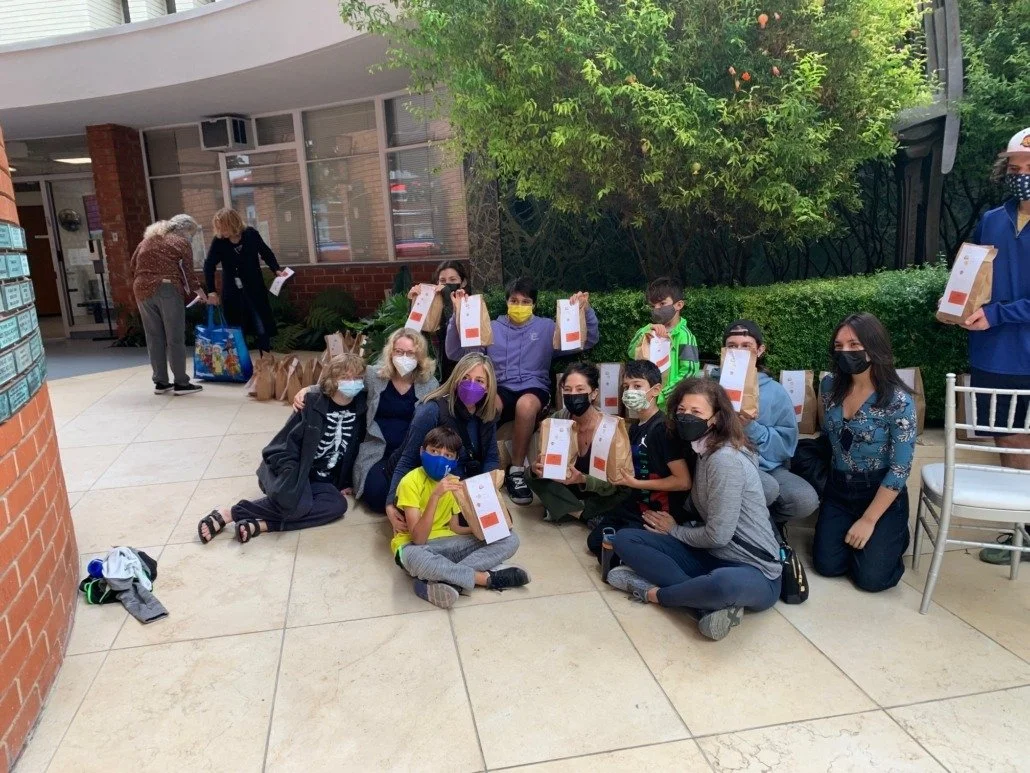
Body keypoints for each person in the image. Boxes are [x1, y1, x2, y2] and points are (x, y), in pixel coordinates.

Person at [608, 377, 783, 642]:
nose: (686, 417)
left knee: (722, 584)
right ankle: (702, 602)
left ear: (715, 419)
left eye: (696, 412)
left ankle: (653, 593)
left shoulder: (724, 459)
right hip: (709, 555)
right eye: (681, 411)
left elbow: (718, 536)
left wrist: (674, 530)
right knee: (625, 538)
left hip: (754, 570)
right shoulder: (701, 451)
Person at [446, 277, 599, 507]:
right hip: (501, 387)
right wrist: (457, 315)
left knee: (525, 405)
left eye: (525, 301)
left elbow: (586, 341)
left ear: (533, 305)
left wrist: (584, 311)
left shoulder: (547, 327)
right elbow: (456, 352)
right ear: (507, 302)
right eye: (514, 300)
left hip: (534, 388)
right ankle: (477, 463)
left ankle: (516, 470)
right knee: (488, 404)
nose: (519, 305)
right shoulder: (492, 328)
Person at [197, 354, 367, 544]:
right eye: (345, 377)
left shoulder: (361, 407)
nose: (352, 382)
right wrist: (289, 476)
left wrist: (344, 480)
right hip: (293, 471)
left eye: (358, 378)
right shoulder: (311, 402)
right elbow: (281, 447)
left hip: (322, 479)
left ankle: (260, 525)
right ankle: (229, 513)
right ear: (333, 379)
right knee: (298, 504)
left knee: (337, 505)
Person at [962, 128, 1030, 565]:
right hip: (992, 352)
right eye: (1015, 168)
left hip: (1022, 348)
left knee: (1024, 440)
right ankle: (1020, 528)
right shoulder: (991, 220)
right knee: (1007, 439)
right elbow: (970, 275)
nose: (1020, 176)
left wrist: (999, 314)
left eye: (1029, 168)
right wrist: (957, 304)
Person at [813, 313, 916, 592]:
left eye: (854, 344)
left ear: (874, 347)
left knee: (871, 580)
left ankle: (893, 533)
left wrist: (869, 520)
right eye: (839, 346)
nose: (845, 351)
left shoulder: (898, 400)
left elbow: (900, 469)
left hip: (878, 490)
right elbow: (828, 436)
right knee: (827, 566)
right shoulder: (829, 387)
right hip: (838, 490)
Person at [294, 328, 439, 512]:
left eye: (410, 353)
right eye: (399, 351)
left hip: (410, 451)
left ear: (420, 356)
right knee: (378, 498)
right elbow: (342, 382)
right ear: (391, 352)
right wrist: (309, 390)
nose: (404, 357)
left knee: (417, 491)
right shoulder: (375, 376)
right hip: (378, 450)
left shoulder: (429, 383)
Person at [392, 426, 530, 609]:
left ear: (456, 460)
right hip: (415, 547)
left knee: (510, 538)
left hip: (448, 544)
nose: (440, 458)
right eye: (434, 451)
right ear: (422, 451)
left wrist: (485, 531)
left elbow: (455, 528)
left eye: (448, 455)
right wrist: (435, 496)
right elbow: (418, 539)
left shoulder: (455, 484)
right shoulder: (410, 481)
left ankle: (442, 582)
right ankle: (486, 578)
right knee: (415, 556)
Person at [384, 353, 500, 535]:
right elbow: (408, 459)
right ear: (455, 379)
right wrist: (391, 504)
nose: (472, 385)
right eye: (466, 378)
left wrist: (486, 493)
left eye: (479, 381)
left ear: (488, 387)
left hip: (466, 484)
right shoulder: (431, 411)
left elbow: (491, 457)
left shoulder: (488, 413)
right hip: (434, 484)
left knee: (497, 525)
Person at [585, 360, 692, 557]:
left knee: (612, 552)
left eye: (637, 386)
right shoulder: (635, 426)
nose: (629, 392)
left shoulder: (662, 429)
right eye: (626, 387)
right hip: (635, 506)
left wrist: (635, 482)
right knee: (595, 542)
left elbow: (683, 481)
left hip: (658, 511)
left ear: (656, 390)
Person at [722, 320, 820, 524]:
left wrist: (751, 427)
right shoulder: (711, 388)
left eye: (746, 346)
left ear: (760, 350)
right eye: (732, 346)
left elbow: (786, 446)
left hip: (767, 466)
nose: (739, 352)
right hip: (723, 465)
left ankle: (766, 525)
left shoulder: (776, 392)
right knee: (766, 488)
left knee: (804, 500)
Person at [527, 362, 631, 526]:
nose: (573, 395)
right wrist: (537, 468)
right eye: (567, 390)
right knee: (530, 475)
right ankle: (583, 514)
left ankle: (566, 509)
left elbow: (613, 482)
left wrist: (582, 479)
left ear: (594, 393)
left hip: (598, 489)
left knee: (624, 491)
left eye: (580, 390)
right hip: (567, 487)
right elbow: (545, 466)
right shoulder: (558, 420)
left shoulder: (608, 427)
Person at [130, 214, 206, 396]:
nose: (191, 237)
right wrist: (200, 292)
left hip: (141, 288)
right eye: (192, 233)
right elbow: (188, 271)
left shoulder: (146, 240)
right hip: (167, 289)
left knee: (154, 337)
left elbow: (133, 264)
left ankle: (161, 383)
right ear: (185, 230)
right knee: (175, 337)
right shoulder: (180, 242)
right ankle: (181, 383)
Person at [203, 208, 288, 354]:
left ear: (233, 224)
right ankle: (239, 365)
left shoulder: (251, 234)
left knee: (261, 325)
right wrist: (211, 291)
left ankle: (265, 361)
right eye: (219, 229)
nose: (221, 232)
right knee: (235, 328)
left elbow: (265, 252)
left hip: (254, 287)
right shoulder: (219, 242)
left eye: (223, 228)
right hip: (232, 291)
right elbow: (209, 266)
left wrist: (276, 269)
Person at [627, 277, 701, 409]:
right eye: (652, 306)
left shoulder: (684, 336)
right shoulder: (649, 330)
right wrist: (645, 331)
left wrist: (661, 395)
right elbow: (632, 352)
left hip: (671, 406)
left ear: (679, 305)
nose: (656, 309)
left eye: (662, 304)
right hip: (647, 404)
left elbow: (689, 372)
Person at [407, 259, 470, 381]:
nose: (446, 284)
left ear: (463, 282)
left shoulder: (469, 304)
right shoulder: (432, 308)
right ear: (437, 283)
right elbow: (413, 333)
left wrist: (448, 299)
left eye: (453, 280)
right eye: (442, 281)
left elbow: (453, 332)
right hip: (439, 374)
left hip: (464, 372)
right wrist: (413, 302)